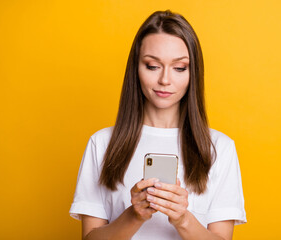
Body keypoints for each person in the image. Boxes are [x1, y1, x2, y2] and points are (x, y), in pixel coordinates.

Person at [69, 10, 247, 240]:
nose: (165, 79)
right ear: (136, 69)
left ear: (193, 73)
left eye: (179, 68)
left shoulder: (219, 148)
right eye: (152, 66)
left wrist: (183, 219)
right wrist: (134, 215)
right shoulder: (102, 144)